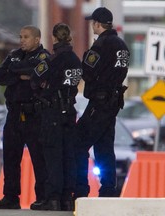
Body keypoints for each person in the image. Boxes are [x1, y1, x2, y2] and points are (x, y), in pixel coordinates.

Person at [74, 7, 130, 199]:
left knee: (78, 143)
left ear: (97, 24)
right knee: (105, 148)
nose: (92, 26)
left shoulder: (100, 45)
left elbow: (87, 71)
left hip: (98, 103)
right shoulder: (123, 46)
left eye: (93, 23)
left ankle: (80, 190)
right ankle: (108, 192)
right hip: (112, 104)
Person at [0, 25, 49, 210]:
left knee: (39, 158)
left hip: (34, 115)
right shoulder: (14, 55)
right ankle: (11, 197)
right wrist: (20, 73)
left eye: (26, 37)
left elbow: (38, 75)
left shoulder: (43, 56)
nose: (22, 40)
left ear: (37, 40)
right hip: (14, 113)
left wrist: (15, 71)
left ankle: (43, 197)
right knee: (10, 157)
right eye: (20, 36)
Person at [30, 23, 82, 211]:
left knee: (53, 156)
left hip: (52, 112)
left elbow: (35, 80)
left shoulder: (53, 60)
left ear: (54, 38)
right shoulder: (76, 60)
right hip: (69, 112)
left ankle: (53, 198)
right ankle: (67, 198)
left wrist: (45, 87)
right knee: (68, 155)